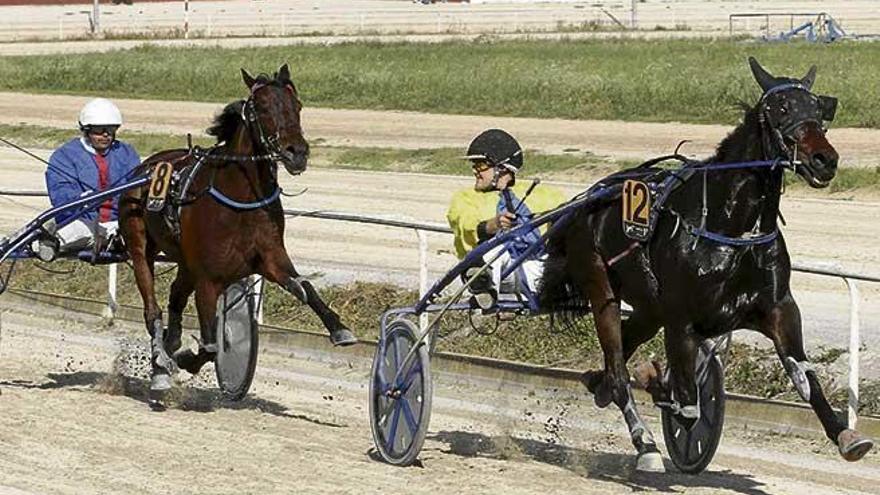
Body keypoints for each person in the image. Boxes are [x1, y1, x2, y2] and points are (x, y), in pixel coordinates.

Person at [446, 129, 566, 309]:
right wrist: (491, 226)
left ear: (501, 168)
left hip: (542, 269)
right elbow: (464, 222)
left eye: (480, 165)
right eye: (474, 165)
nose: (475, 171)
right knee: (494, 249)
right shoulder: (465, 198)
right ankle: (486, 293)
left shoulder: (545, 194)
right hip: (503, 271)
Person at [33, 98, 141, 262]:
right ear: (86, 130)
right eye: (99, 130)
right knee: (79, 232)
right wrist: (80, 200)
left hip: (121, 221)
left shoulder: (127, 153)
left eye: (111, 130)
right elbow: (60, 192)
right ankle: (49, 241)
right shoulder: (65, 155)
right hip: (84, 219)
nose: (105, 135)